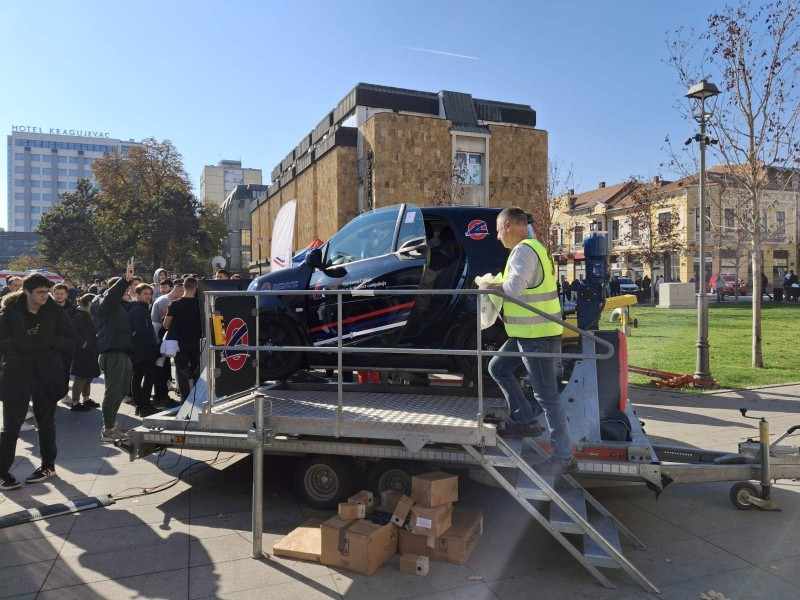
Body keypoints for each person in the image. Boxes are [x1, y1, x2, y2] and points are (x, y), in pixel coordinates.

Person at [486, 207, 574, 475]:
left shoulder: (524, 250)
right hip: (527, 333)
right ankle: (524, 418)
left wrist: (487, 288)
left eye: (499, 231)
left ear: (510, 226)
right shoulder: (532, 248)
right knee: (497, 368)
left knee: (547, 397)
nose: (498, 237)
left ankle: (564, 457)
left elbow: (514, 290)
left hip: (537, 336)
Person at [0, 274, 76, 490]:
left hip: (46, 374)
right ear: (27, 292)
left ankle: (48, 466)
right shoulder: (10, 314)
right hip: (17, 373)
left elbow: (70, 339)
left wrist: (49, 342)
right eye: (40, 292)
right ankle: (2, 473)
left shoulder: (56, 313)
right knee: (11, 427)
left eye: (47, 292)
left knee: (46, 423)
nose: (45, 296)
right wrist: (17, 345)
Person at [92, 261, 135, 442]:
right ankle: (108, 430)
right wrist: (125, 280)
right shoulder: (104, 302)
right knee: (113, 391)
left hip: (121, 351)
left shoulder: (117, 306)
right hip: (112, 352)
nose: (126, 293)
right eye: (124, 290)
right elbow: (111, 296)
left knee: (122, 389)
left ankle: (111, 424)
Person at [163, 277, 202, 400]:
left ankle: (185, 398)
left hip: (180, 342)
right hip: (197, 341)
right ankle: (197, 397)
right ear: (196, 288)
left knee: (182, 371)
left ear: (183, 287)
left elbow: (166, 324)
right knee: (197, 370)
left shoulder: (175, 304)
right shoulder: (200, 303)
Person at [128, 283, 160, 417]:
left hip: (140, 350)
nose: (148, 296)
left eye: (149, 293)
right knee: (144, 378)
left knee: (138, 378)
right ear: (138, 295)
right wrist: (152, 347)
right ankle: (143, 405)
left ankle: (141, 405)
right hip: (142, 350)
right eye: (145, 294)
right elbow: (142, 332)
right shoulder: (138, 310)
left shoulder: (142, 308)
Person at [151, 279, 182, 407]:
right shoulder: (165, 301)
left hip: (160, 339)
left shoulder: (165, 299)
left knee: (163, 369)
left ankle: (162, 396)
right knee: (160, 370)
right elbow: (166, 323)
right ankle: (161, 396)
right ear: (180, 290)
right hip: (159, 340)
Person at [69, 294, 100, 410]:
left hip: (91, 348)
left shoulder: (88, 314)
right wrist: (82, 342)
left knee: (89, 375)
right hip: (83, 350)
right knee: (81, 376)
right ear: (89, 303)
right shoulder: (80, 315)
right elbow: (71, 329)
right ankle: (75, 402)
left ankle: (86, 398)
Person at [52, 283, 78, 406]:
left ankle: (63, 394)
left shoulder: (73, 308)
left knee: (65, 371)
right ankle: (51, 396)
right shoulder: (47, 307)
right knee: (50, 371)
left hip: (67, 345)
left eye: (61, 293)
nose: (59, 296)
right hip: (50, 345)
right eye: (56, 293)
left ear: (66, 294)